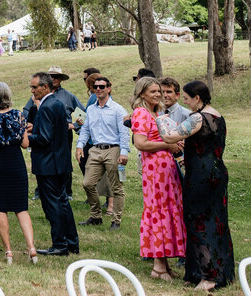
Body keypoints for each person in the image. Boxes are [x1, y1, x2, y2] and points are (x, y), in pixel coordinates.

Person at [160, 80, 234, 291]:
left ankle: (208, 275)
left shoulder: (198, 118)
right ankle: (218, 273)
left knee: (199, 222)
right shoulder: (217, 115)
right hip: (217, 171)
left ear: (197, 98)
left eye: (186, 98)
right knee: (217, 220)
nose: (184, 101)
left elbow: (169, 136)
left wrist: (160, 119)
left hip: (201, 176)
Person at [130, 76, 186, 282]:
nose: (157, 94)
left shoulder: (156, 112)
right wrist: (166, 146)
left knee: (169, 212)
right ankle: (157, 267)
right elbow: (141, 143)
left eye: (159, 92)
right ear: (141, 93)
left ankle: (165, 264)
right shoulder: (141, 113)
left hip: (167, 170)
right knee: (158, 214)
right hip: (155, 171)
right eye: (153, 91)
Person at [0, 82, 39, 264]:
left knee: (0, 208)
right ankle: (31, 247)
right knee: (21, 208)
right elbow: (26, 144)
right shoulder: (19, 116)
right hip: (15, 163)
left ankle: (9, 251)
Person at [28, 72, 79, 256]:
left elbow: (44, 138)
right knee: (63, 203)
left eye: (35, 87)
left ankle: (60, 244)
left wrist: (25, 138)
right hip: (60, 162)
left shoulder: (47, 106)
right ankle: (72, 242)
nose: (32, 91)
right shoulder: (55, 103)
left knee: (53, 205)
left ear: (46, 87)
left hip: (49, 164)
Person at [76, 75, 128, 230]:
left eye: (102, 87)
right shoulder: (91, 109)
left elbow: (124, 133)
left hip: (113, 149)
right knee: (88, 183)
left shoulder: (118, 110)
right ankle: (96, 216)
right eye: (95, 87)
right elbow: (85, 129)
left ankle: (116, 220)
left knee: (116, 187)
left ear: (109, 89)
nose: (98, 89)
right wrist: (79, 146)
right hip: (95, 150)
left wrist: (123, 152)